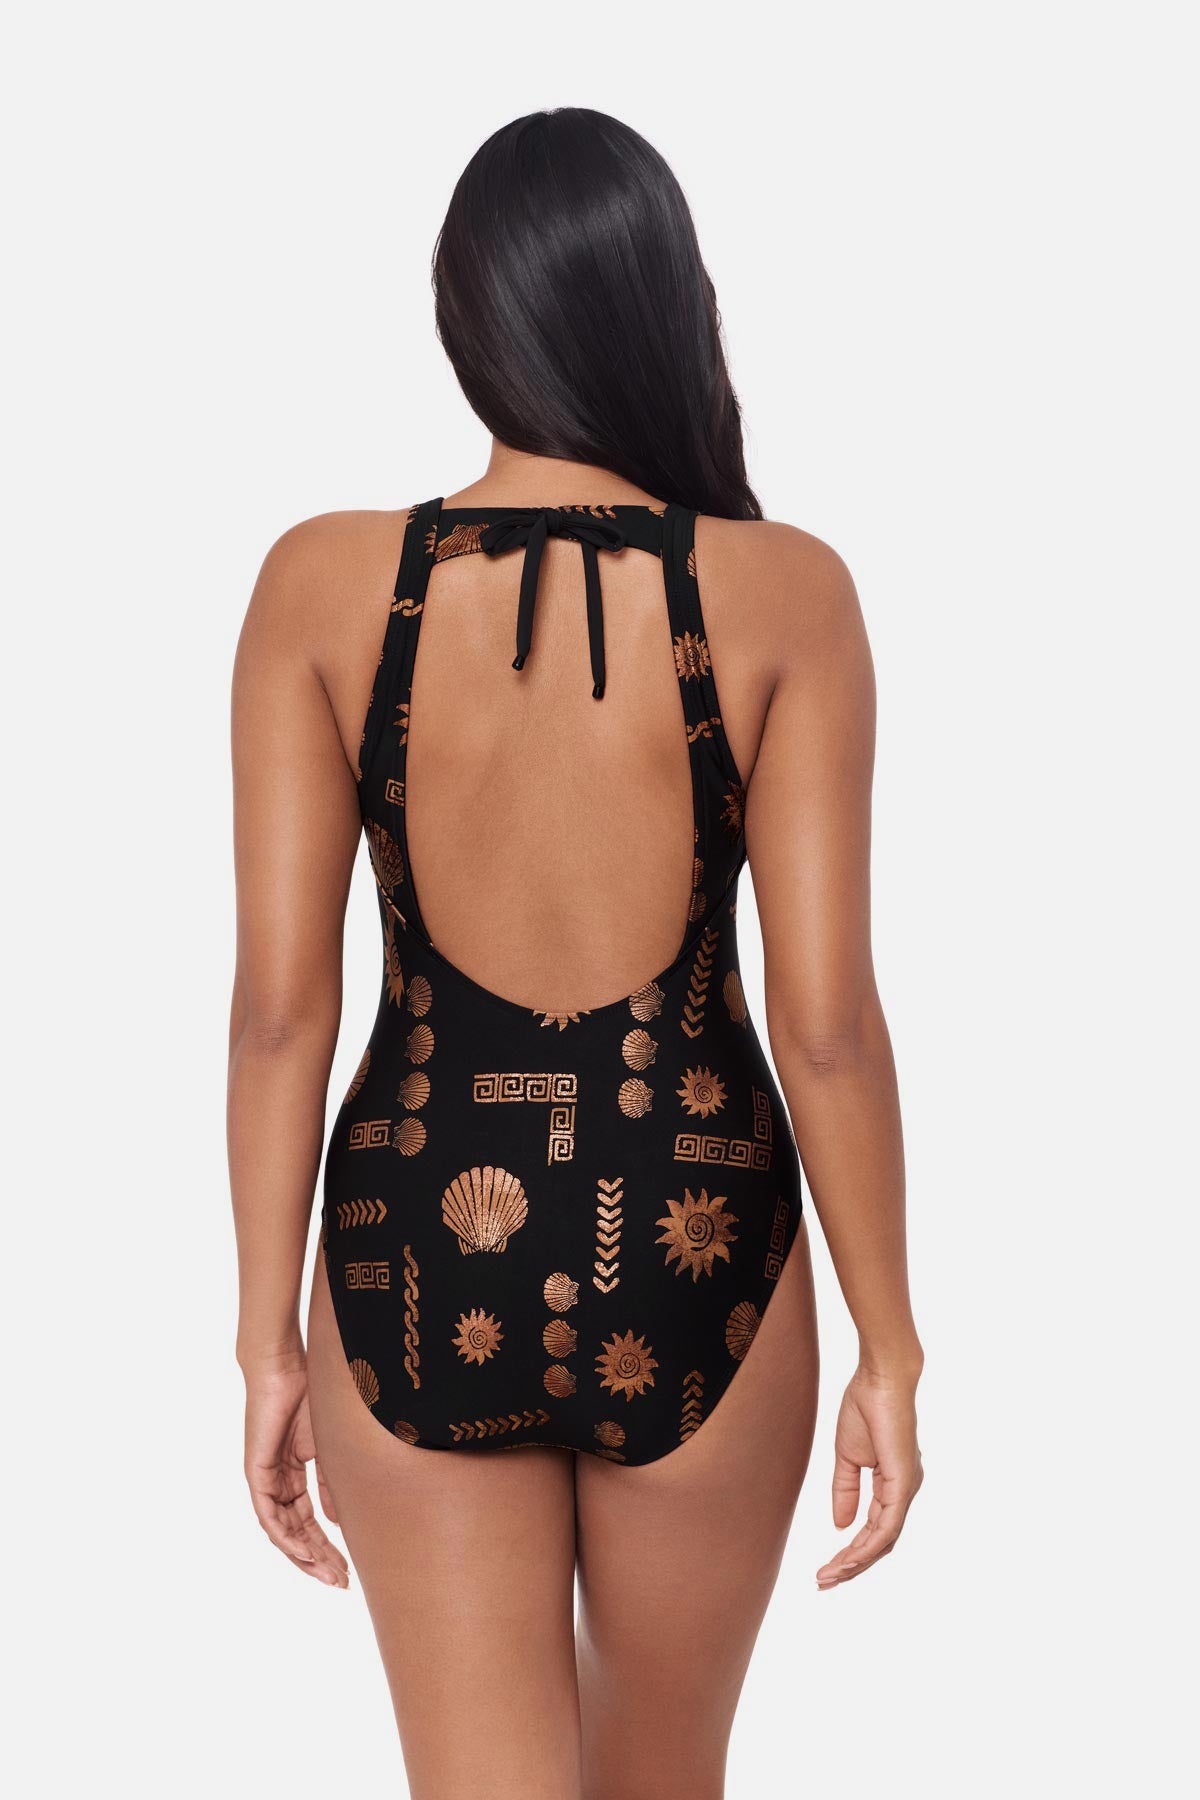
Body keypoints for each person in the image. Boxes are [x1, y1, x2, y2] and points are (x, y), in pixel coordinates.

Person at [229, 106, 923, 1799]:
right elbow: (827, 1028)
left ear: (467, 314)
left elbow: (279, 1016)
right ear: (666, 305)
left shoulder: (323, 582)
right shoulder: (786, 594)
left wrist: (265, 1344)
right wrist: (891, 1349)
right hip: (700, 1240)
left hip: (412, 1245)